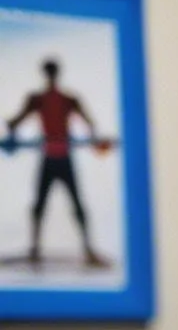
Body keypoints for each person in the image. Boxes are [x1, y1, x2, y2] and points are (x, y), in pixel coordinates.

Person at [6, 58, 109, 268]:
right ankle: (36, 249)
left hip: (61, 158)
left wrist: (12, 128)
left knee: (71, 203)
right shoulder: (40, 99)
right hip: (52, 158)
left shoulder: (63, 99)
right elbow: (16, 121)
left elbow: (90, 125)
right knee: (42, 204)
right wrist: (11, 131)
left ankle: (86, 250)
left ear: (46, 73)